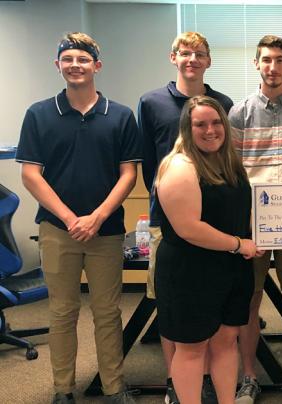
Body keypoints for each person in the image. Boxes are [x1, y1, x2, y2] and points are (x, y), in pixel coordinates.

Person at [16, 32, 141, 404]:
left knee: (107, 312)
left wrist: (98, 217)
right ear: (58, 65)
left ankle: (114, 388)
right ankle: (63, 389)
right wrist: (72, 218)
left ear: (96, 66)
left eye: (83, 59)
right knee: (62, 312)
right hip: (57, 230)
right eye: (68, 59)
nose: (75, 65)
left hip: (106, 232)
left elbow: (129, 173)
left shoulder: (119, 115)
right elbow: (30, 174)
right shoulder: (39, 114)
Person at [138, 31, 233, 404]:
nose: (192, 59)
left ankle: (204, 380)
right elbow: (149, 165)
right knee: (173, 307)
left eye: (199, 54)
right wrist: (176, 204)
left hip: (215, 225)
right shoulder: (151, 103)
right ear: (173, 57)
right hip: (167, 224)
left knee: (209, 308)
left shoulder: (221, 103)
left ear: (209, 60)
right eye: (185, 53)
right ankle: (175, 384)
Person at [154, 95, 262, 404]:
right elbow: (189, 228)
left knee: (226, 342)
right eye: (200, 124)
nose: (210, 130)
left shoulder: (227, 162)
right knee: (192, 348)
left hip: (230, 268)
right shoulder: (179, 166)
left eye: (216, 122)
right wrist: (240, 245)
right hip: (190, 272)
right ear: (187, 128)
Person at [228, 35, 282, 404]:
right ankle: (248, 378)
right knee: (249, 302)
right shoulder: (239, 113)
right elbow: (231, 172)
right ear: (256, 64)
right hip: (252, 225)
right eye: (266, 60)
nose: (272, 66)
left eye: (279, 60)